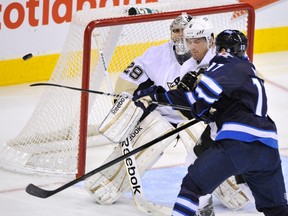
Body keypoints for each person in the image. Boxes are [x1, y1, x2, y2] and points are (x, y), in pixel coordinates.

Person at [133, 29, 288, 216]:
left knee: (192, 185)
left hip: (237, 143)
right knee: (276, 208)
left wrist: (156, 96)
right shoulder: (250, 69)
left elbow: (197, 106)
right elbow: (229, 102)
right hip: (269, 147)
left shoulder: (221, 65)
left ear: (220, 49)